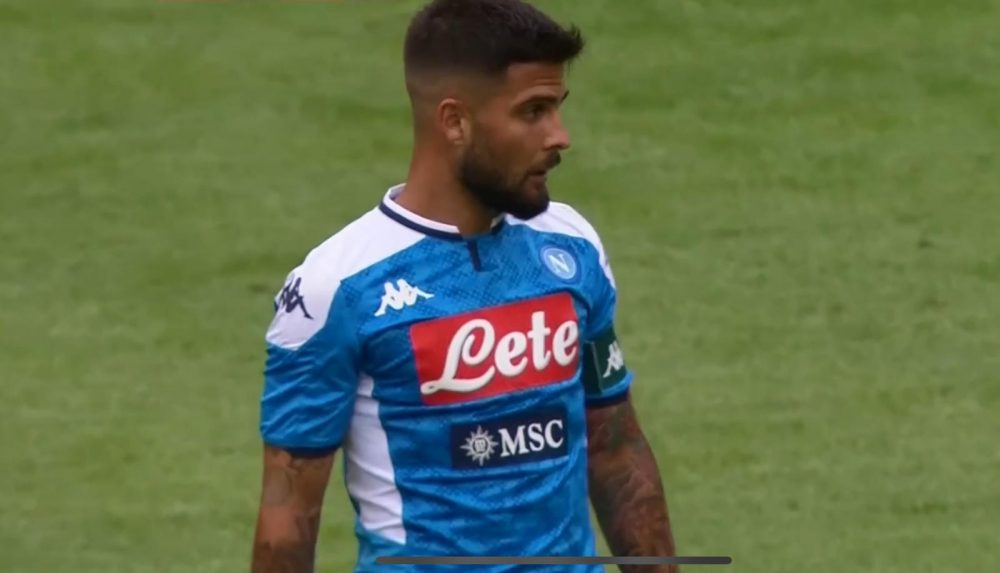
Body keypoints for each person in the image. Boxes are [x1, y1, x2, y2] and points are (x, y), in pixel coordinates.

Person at [250, 0, 678, 571]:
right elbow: (286, 525)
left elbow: (616, 449)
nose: (560, 136)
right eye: (533, 112)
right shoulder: (337, 289)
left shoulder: (572, 246)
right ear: (454, 122)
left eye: (558, 109)